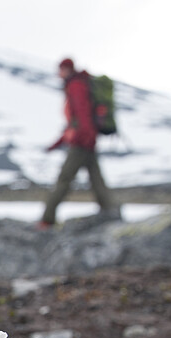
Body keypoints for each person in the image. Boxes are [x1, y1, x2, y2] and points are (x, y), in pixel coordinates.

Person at [39, 57, 117, 230]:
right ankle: (111, 213)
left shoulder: (76, 85)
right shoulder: (79, 84)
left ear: (66, 69)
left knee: (64, 179)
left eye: (60, 69)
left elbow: (82, 116)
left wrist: (84, 138)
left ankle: (47, 219)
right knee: (97, 180)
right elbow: (74, 123)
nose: (58, 74)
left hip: (82, 143)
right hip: (87, 141)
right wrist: (56, 144)